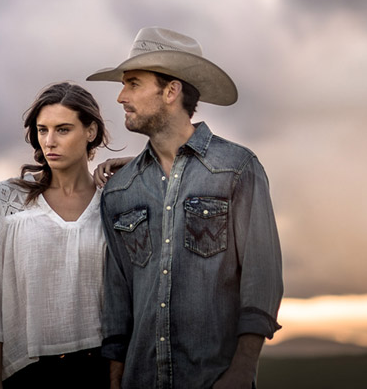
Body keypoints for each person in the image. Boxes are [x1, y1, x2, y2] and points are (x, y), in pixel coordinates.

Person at [88, 27, 283, 389]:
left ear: (171, 90)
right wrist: (115, 378)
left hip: (215, 379)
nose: (120, 97)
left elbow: (262, 278)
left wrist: (243, 371)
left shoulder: (236, 168)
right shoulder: (120, 189)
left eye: (133, 83)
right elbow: (117, 296)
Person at [0, 82, 112, 388]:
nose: (49, 141)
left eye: (63, 130)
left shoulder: (114, 199)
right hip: (29, 372)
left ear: (90, 132)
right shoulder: (10, 198)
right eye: (42, 130)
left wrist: (132, 168)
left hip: (103, 370)